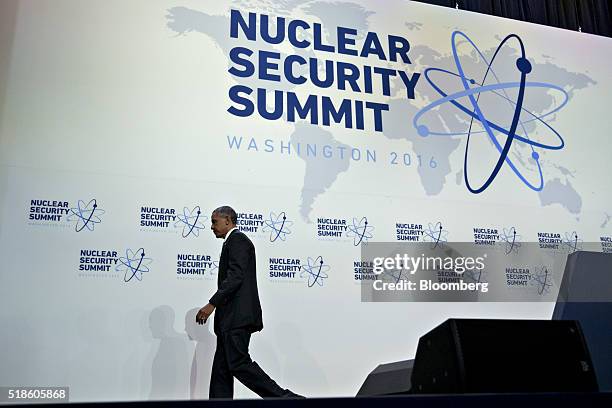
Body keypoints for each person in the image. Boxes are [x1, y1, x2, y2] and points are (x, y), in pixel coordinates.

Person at [196, 206, 303, 399]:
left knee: (238, 363)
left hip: (237, 318)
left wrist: (212, 304)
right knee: (222, 369)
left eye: (214, 222)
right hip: (229, 319)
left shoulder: (238, 240)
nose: (211, 226)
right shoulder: (231, 243)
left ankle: (285, 398)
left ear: (228, 220)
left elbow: (236, 277)